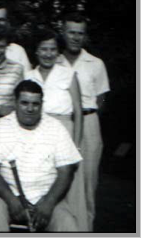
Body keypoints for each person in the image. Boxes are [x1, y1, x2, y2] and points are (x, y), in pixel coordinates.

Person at [0, 80, 82, 232]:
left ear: (42, 104)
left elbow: (66, 171)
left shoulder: (56, 127)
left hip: (46, 196)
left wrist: (48, 203)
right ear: (15, 103)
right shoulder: (0, 126)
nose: (30, 109)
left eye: (35, 104)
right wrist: (12, 201)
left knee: (67, 224)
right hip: (6, 195)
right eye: (24, 103)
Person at [24, 28, 88, 231]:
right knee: (42, 183)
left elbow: (78, 112)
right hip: (38, 134)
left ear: (58, 52)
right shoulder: (28, 75)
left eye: (52, 49)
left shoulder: (68, 74)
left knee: (70, 184)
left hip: (65, 132)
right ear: (36, 52)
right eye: (43, 49)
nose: (48, 53)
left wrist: (76, 146)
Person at [57, 12, 111, 231]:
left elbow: (101, 99)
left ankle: (86, 229)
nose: (76, 37)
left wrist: (87, 120)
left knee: (87, 181)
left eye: (80, 33)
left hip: (88, 123)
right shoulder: (54, 59)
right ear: (63, 33)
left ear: (85, 36)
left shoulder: (95, 63)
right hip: (61, 123)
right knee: (59, 179)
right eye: (71, 32)